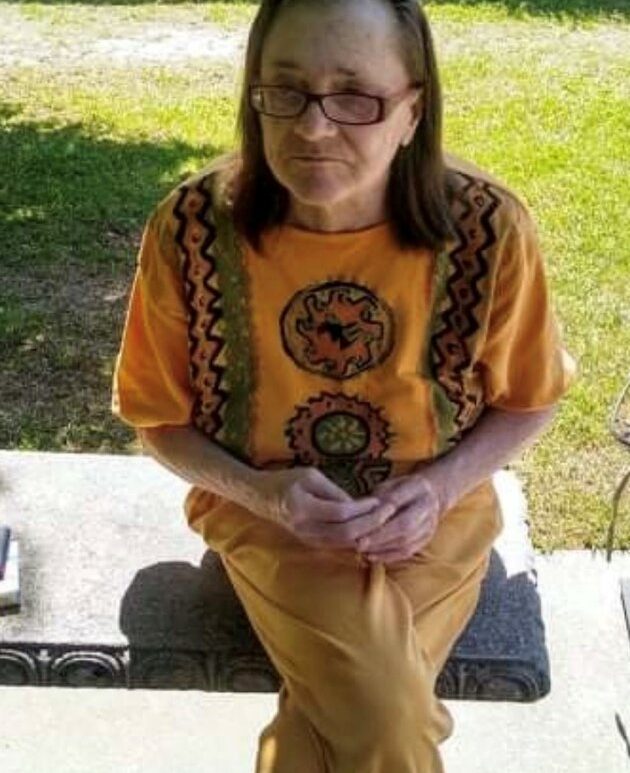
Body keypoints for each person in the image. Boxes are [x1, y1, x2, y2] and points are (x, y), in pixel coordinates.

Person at [111, 0, 576, 770]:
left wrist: (437, 489)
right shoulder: (192, 227)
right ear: (255, 93)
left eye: (355, 97)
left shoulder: (489, 228)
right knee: (387, 716)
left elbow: (531, 396)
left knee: (361, 720)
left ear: (413, 110)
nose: (313, 127)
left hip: (438, 516)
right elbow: (157, 418)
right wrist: (266, 495)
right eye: (285, 90)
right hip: (266, 515)